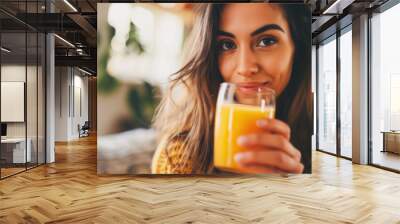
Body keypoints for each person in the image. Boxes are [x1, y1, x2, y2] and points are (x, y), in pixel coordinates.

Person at [151, 3, 312, 174]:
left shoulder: (327, 141)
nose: (245, 67)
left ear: (298, 47)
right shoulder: (179, 157)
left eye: (266, 41)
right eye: (227, 45)